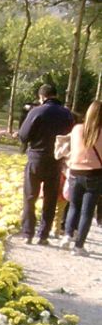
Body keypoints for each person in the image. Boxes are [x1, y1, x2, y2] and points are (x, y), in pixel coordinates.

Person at [17, 83, 73, 245]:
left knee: (30, 196)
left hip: (36, 157)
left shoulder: (36, 111)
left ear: (42, 96)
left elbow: (23, 135)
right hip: (56, 160)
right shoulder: (67, 114)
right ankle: (43, 235)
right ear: (55, 95)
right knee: (50, 199)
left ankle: (28, 232)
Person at [60, 100, 102, 256]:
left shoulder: (77, 129)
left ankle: (67, 235)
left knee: (73, 206)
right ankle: (79, 246)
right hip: (95, 174)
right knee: (87, 212)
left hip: (75, 171)